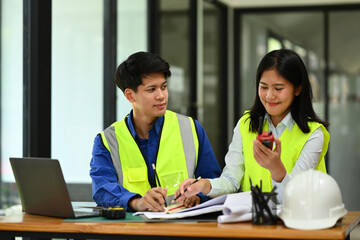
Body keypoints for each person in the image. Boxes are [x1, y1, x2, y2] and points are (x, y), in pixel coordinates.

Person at [176, 49, 330, 202]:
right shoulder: (246, 124)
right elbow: (231, 180)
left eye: (278, 88)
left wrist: (277, 170)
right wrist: (204, 185)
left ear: (298, 89)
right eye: (263, 87)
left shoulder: (314, 134)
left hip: (300, 222)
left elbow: (295, 196)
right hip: (255, 221)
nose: (269, 95)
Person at [90, 51, 221, 212]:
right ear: (130, 96)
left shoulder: (190, 128)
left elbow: (215, 182)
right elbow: (102, 189)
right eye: (151, 89)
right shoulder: (107, 141)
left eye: (164, 87)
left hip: (183, 231)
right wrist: (136, 202)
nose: (161, 96)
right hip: (131, 232)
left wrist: (200, 195)